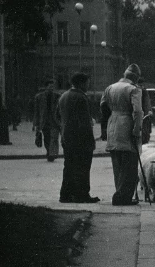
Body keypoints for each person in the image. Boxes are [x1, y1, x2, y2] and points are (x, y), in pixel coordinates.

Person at [101, 64, 144, 206]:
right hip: (127, 126)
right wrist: (136, 131)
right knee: (130, 165)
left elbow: (103, 106)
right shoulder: (134, 89)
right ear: (136, 77)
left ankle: (119, 193)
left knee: (117, 165)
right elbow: (137, 112)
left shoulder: (110, 88)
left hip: (112, 124)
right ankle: (123, 197)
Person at [58, 72, 100, 203]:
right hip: (81, 139)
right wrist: (90, 140)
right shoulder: (81, 98)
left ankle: (65, 195)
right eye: (87, 82)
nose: (89, 85)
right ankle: (82, 195)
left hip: (67, 137)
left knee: (69, 167)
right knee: (83, 168)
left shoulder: (63, 96)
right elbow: (85, 123)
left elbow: (57, 116)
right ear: (81, 83)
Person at [33, 78, 61, 162]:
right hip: (44, 121)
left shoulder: (57, 96)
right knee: (47, 138)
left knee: (54, 137)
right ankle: (49, 151)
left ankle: (52, 154)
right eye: (50, 86)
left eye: (53, 87)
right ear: (46, 87)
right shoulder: (39, 97)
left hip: (55, 121)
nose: (51, 88)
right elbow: (37, 111)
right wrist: (36, 123)